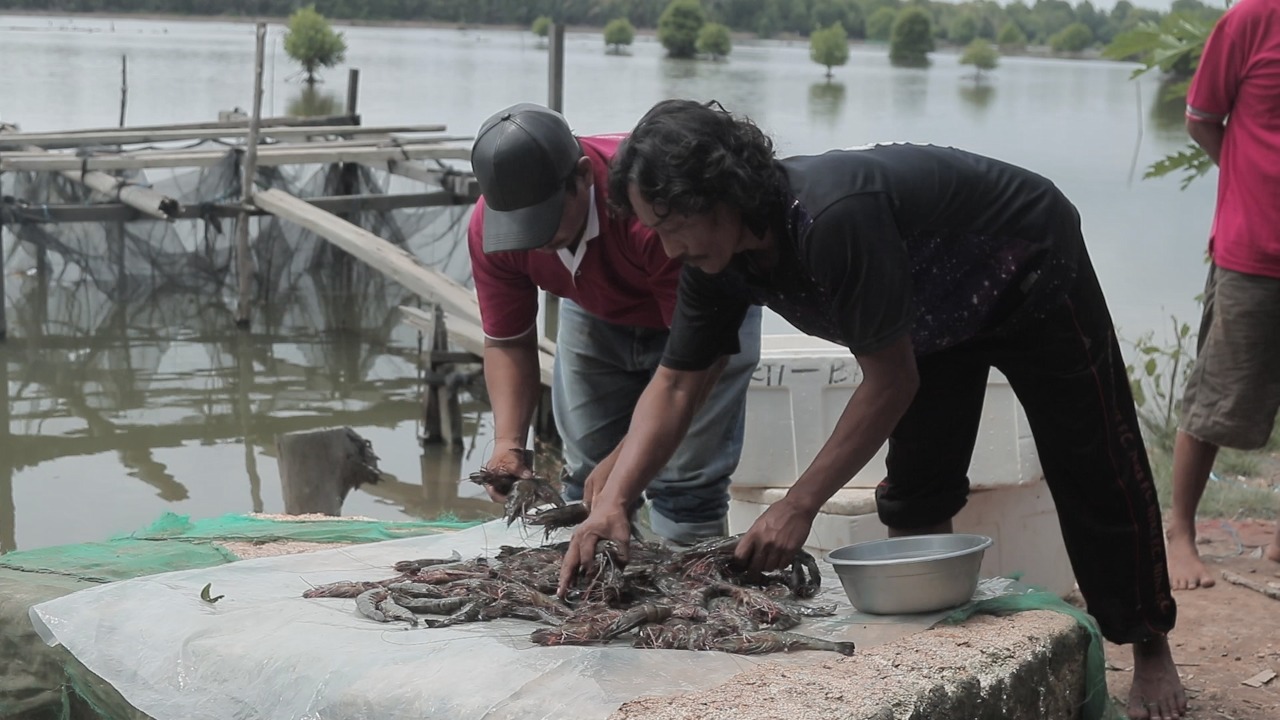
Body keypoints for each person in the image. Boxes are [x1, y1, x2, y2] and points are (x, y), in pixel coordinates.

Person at [557, 99, 1187, 720]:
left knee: (1093, 460)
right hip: (932, 308)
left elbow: (889, 381)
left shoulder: (830, 219)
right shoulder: (712, 262)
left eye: (672, 226)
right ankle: (939, 641)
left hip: (1029, 268)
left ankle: (1148, 642)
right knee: (916, 487)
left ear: (719, 195)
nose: (667, 250)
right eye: (655, 231)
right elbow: (676, 384)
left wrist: (798, 504)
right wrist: (615, 500)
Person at [466, 102, 762, 545]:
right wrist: (508, 442)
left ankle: (690, 573)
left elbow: (693, 370)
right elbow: (508, 341)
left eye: (544, 220)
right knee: (588, 475)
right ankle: (590, 569)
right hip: (594, 307)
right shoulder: (491, 230)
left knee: (684, 482)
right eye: (520, 227)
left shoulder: (653, 214)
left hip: (703, 313)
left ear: (583, 177)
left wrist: (623, 467)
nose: (536, 241)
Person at [1165, 0, 1280, 591]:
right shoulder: (1249, 22)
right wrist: (1247, 179)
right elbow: (1202, 119)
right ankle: (1180, 532)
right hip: (1253, 248)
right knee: (1217, 395)